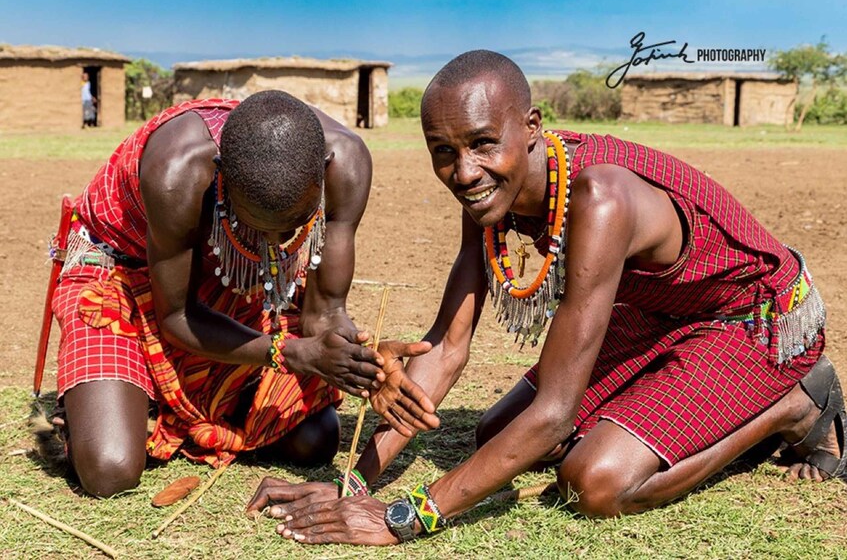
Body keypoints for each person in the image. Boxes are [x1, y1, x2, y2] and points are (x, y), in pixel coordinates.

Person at [245, 51, 845, 545]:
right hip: (666, 315)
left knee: (594, 482)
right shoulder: (488, 200)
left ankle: (792, 407)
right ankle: (685, 405)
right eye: (444, 151)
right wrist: (356, 483)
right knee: (497, 434)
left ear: (531, 128)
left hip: (756, 320)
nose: (464, 171)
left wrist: (406, 517)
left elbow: (555, 410)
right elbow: (447, 347)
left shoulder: (600, 198)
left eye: (483, 143)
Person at [48, 90, 437, 498]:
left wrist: (365, 364)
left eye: (294, 226)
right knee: (110, 469)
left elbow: (323, 315)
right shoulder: (176, 172)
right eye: (257, 223)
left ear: (323, 173)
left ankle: (167, 402)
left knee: (314, 441)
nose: (275, 243)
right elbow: (177, 316)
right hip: (119, 277)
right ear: (221, 175)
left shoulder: (348, 165)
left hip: (229, 275)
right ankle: (107, 404)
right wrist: (290, 353)